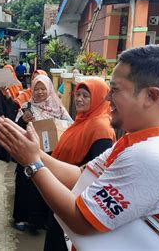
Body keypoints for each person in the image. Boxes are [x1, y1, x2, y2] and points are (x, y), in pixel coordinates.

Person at [0, 45, 159, 244]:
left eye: (114, 90)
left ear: (151, 96)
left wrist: (33, 163)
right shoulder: (136, 142)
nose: (106, 97)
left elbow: (81, 220)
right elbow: (81, 176)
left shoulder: (155, 156)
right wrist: (35, 151)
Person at [44, 78, 116, 251]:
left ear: (99, 99)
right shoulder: (82, 121)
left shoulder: (101, 129)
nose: (79, 99)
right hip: (63, 191)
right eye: (78, 94)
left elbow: (97, 172)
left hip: (76, 200)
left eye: (86, 95)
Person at [12, 74, 72, 231]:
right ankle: (22, 218)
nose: (39, 92)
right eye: (36, 89)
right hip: (28, 152)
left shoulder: (58, 107)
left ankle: (41, 220)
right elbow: (16, 129)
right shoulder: (27, 107)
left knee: (45, 187)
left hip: (51, 154)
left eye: (43, 89)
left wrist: (56, 126)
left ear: (49, 89)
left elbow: (70, 126)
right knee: (26, 185)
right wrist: (23, 121)